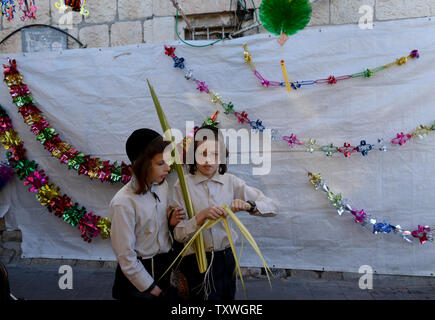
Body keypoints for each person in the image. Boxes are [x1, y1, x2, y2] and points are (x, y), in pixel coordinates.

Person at [172, 125, 278, 301]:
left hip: (226, 259)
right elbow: (178, 234)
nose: (209, 161)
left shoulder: (231, 182)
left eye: (214, 154)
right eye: (202, 154)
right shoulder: (182, 186)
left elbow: (273, 207)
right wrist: (201, 216)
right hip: (197, 262)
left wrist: (249, 205)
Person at [109, 128, 185, 300]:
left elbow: (154, 227)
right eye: (160, 163)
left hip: (163, 268)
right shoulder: (123, 202)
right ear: (141, 164)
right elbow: (125, 255)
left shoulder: (162, 186)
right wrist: (151, 288)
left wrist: (169, 223)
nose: (167, 168)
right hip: (138, 279)